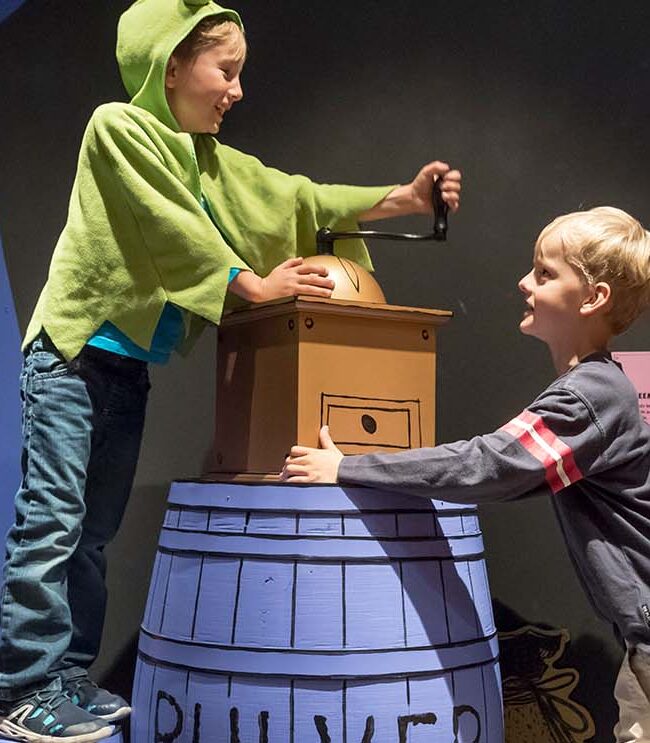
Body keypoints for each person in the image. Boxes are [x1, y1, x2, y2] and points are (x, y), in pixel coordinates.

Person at [0, 1, 461, 741]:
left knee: (91, 534)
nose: (237, 90)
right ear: (171, 65)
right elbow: (167, 223)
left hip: (123, 372)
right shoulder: (117, 128)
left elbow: (292, 194)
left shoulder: (209, 159)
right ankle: (24, 687)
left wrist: (396, 201)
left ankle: (66, 679)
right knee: (52, 525)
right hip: (71, 355)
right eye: (227, 70)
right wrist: (251, 283)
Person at [283, 206, 650, 742]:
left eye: (545, 274)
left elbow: (487, 465)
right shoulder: (599, 390)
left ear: (593, 298)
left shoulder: (588, 399)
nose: (524, 283)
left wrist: (347, 466)